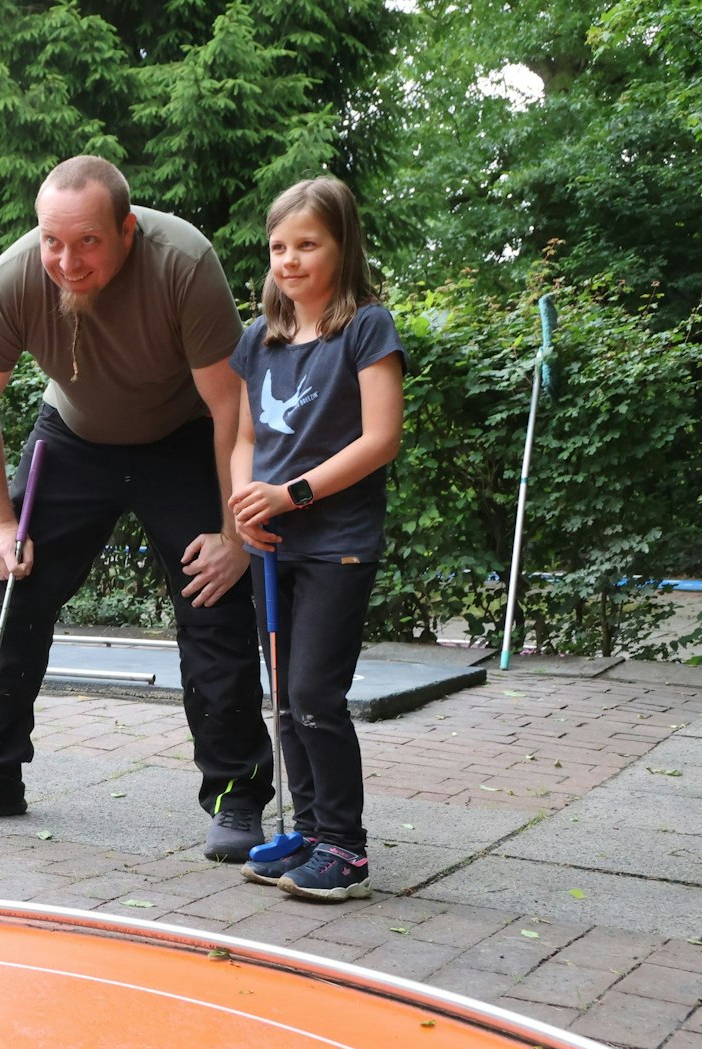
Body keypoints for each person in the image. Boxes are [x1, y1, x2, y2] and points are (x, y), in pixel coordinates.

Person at [0, 155, 277, 862]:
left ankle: (235, 794)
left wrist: (233, 534)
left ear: (127, 230)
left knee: (212, 598)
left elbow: (230, 405)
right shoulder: (15, 276)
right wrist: (0, 524)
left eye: (87, 242)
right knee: (11, 589)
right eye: (52, 240)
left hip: (181, 438)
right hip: (71, 438)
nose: (66, 262)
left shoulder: (183, 262)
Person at [228, 177, 404, 902]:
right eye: (278, 247)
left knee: (312, 694)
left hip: (337, 540)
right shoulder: (258, 340)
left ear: (341, 246)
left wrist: (291, 493)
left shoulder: (365, 327)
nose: (289, 260)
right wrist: (246, 505)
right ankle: (306, 830)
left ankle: (346, 849)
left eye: (307, 244)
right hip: (272, 543)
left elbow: (380, 438)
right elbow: (243, 436)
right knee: (283, 698)